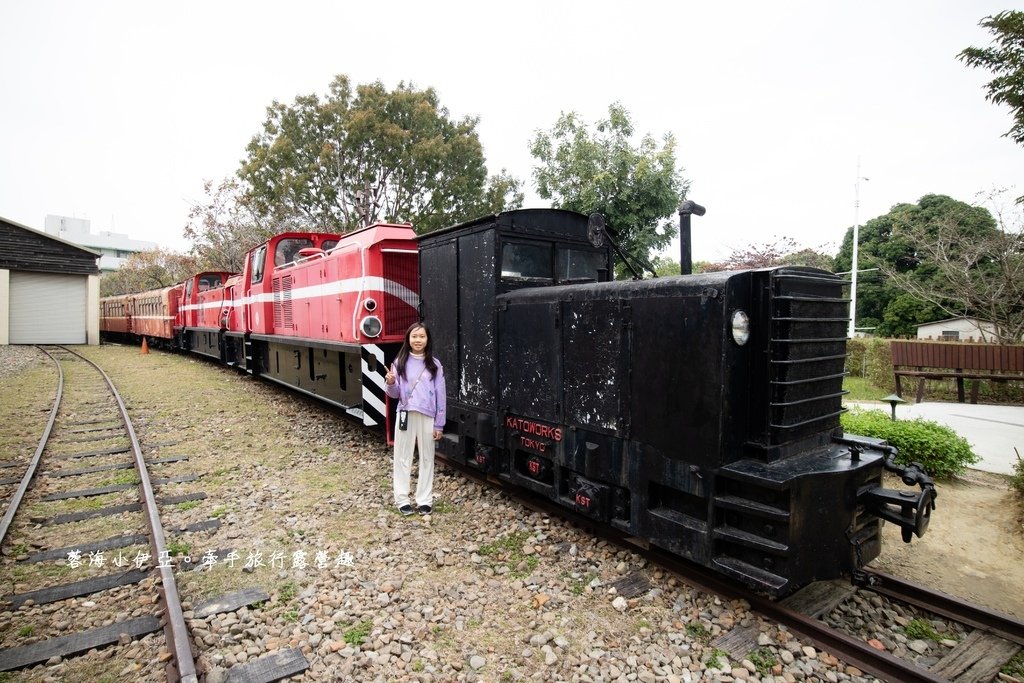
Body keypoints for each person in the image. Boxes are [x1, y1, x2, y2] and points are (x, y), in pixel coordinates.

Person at [384, 322, 446, 516]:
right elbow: (394, 395)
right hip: (405, 413)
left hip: (428, 416)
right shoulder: (399, 362)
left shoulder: (434, 364)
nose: (418, 340)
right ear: (408, 339)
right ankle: (402, 499)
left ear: (427, 340)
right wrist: (391, 383)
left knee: (428, 458)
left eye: (422, 336)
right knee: (403, 458)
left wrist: (439, 423)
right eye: (414, 336)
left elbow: (440, 394)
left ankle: (424, 500)